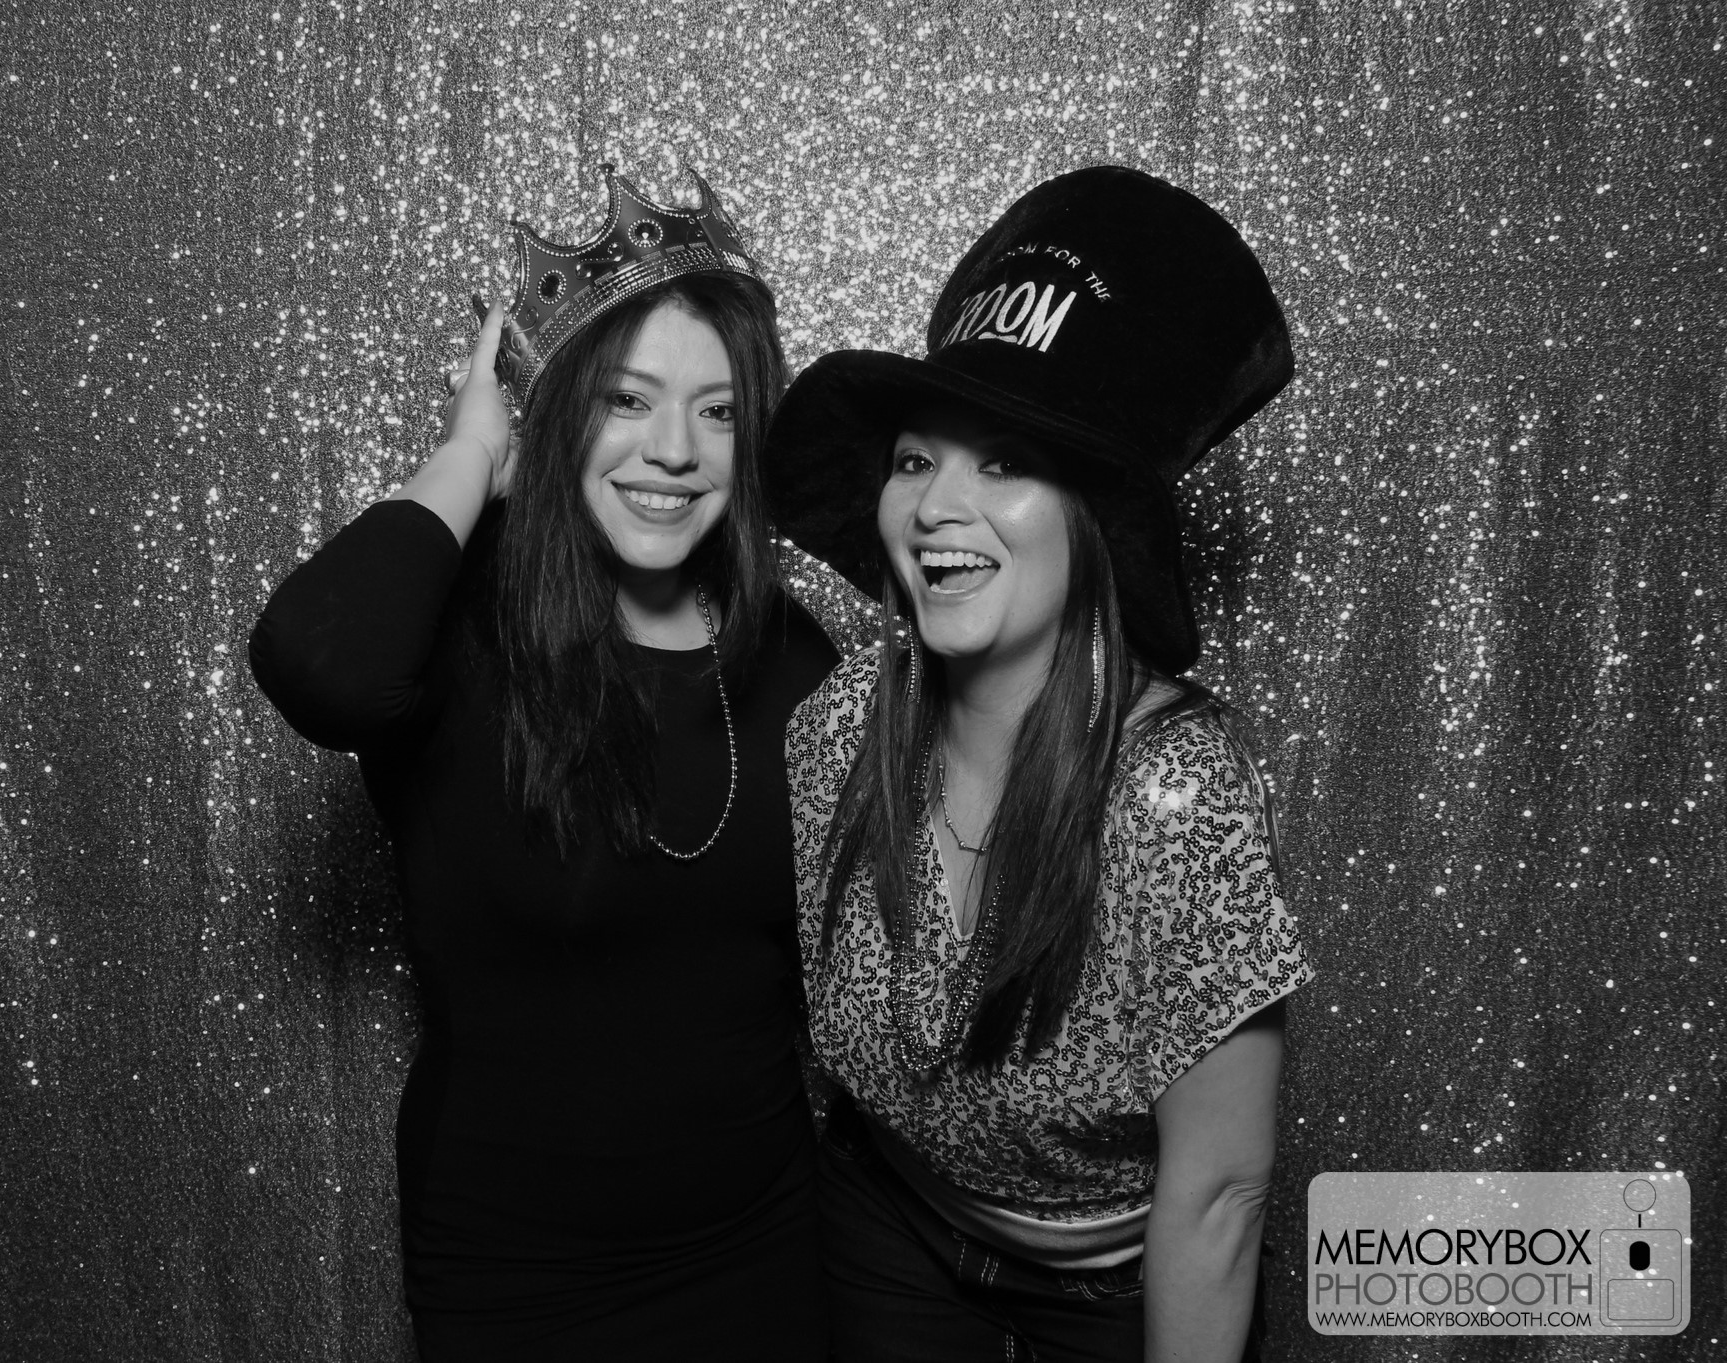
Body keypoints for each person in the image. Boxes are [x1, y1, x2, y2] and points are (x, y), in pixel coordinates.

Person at [250, 167, 836, 1359]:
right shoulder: (454, 634)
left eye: (718, 412)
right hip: (517, 1277)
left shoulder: (789, 654)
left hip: (763, 1248)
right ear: (556, 415)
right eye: (625, 400)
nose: (673, 451)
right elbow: (315, 664)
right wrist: (472, 455)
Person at [761, 166, 1313, 1362]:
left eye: (1004, 463)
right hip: (883, 1223)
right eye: (914, 460)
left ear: (1090, 518)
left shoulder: (1178, 796)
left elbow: (1219, 1190)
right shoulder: (836, 726)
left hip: (1110, 1289)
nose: (935, 507)